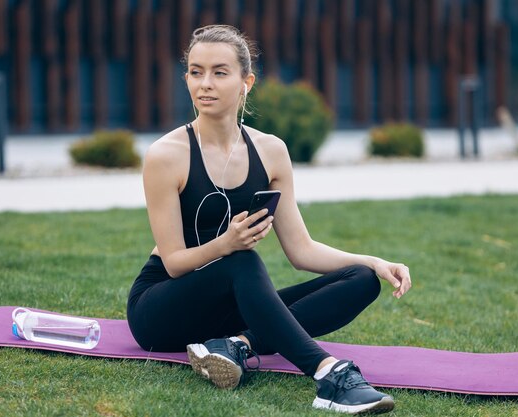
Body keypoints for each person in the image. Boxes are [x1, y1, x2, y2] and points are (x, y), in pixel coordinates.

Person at [126, 25, 412, 415]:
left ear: (247, 82)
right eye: (195, 71)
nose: (204, 84)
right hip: (162, 309)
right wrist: (225, 245)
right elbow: (174, 263)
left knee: (360, 280)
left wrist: (374, 262)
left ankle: (237, 346)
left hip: (230, 308)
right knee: (241, 260)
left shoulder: (271, 151)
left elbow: (301, 250)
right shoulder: (167, 155)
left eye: (219, 72)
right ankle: (328, 374)